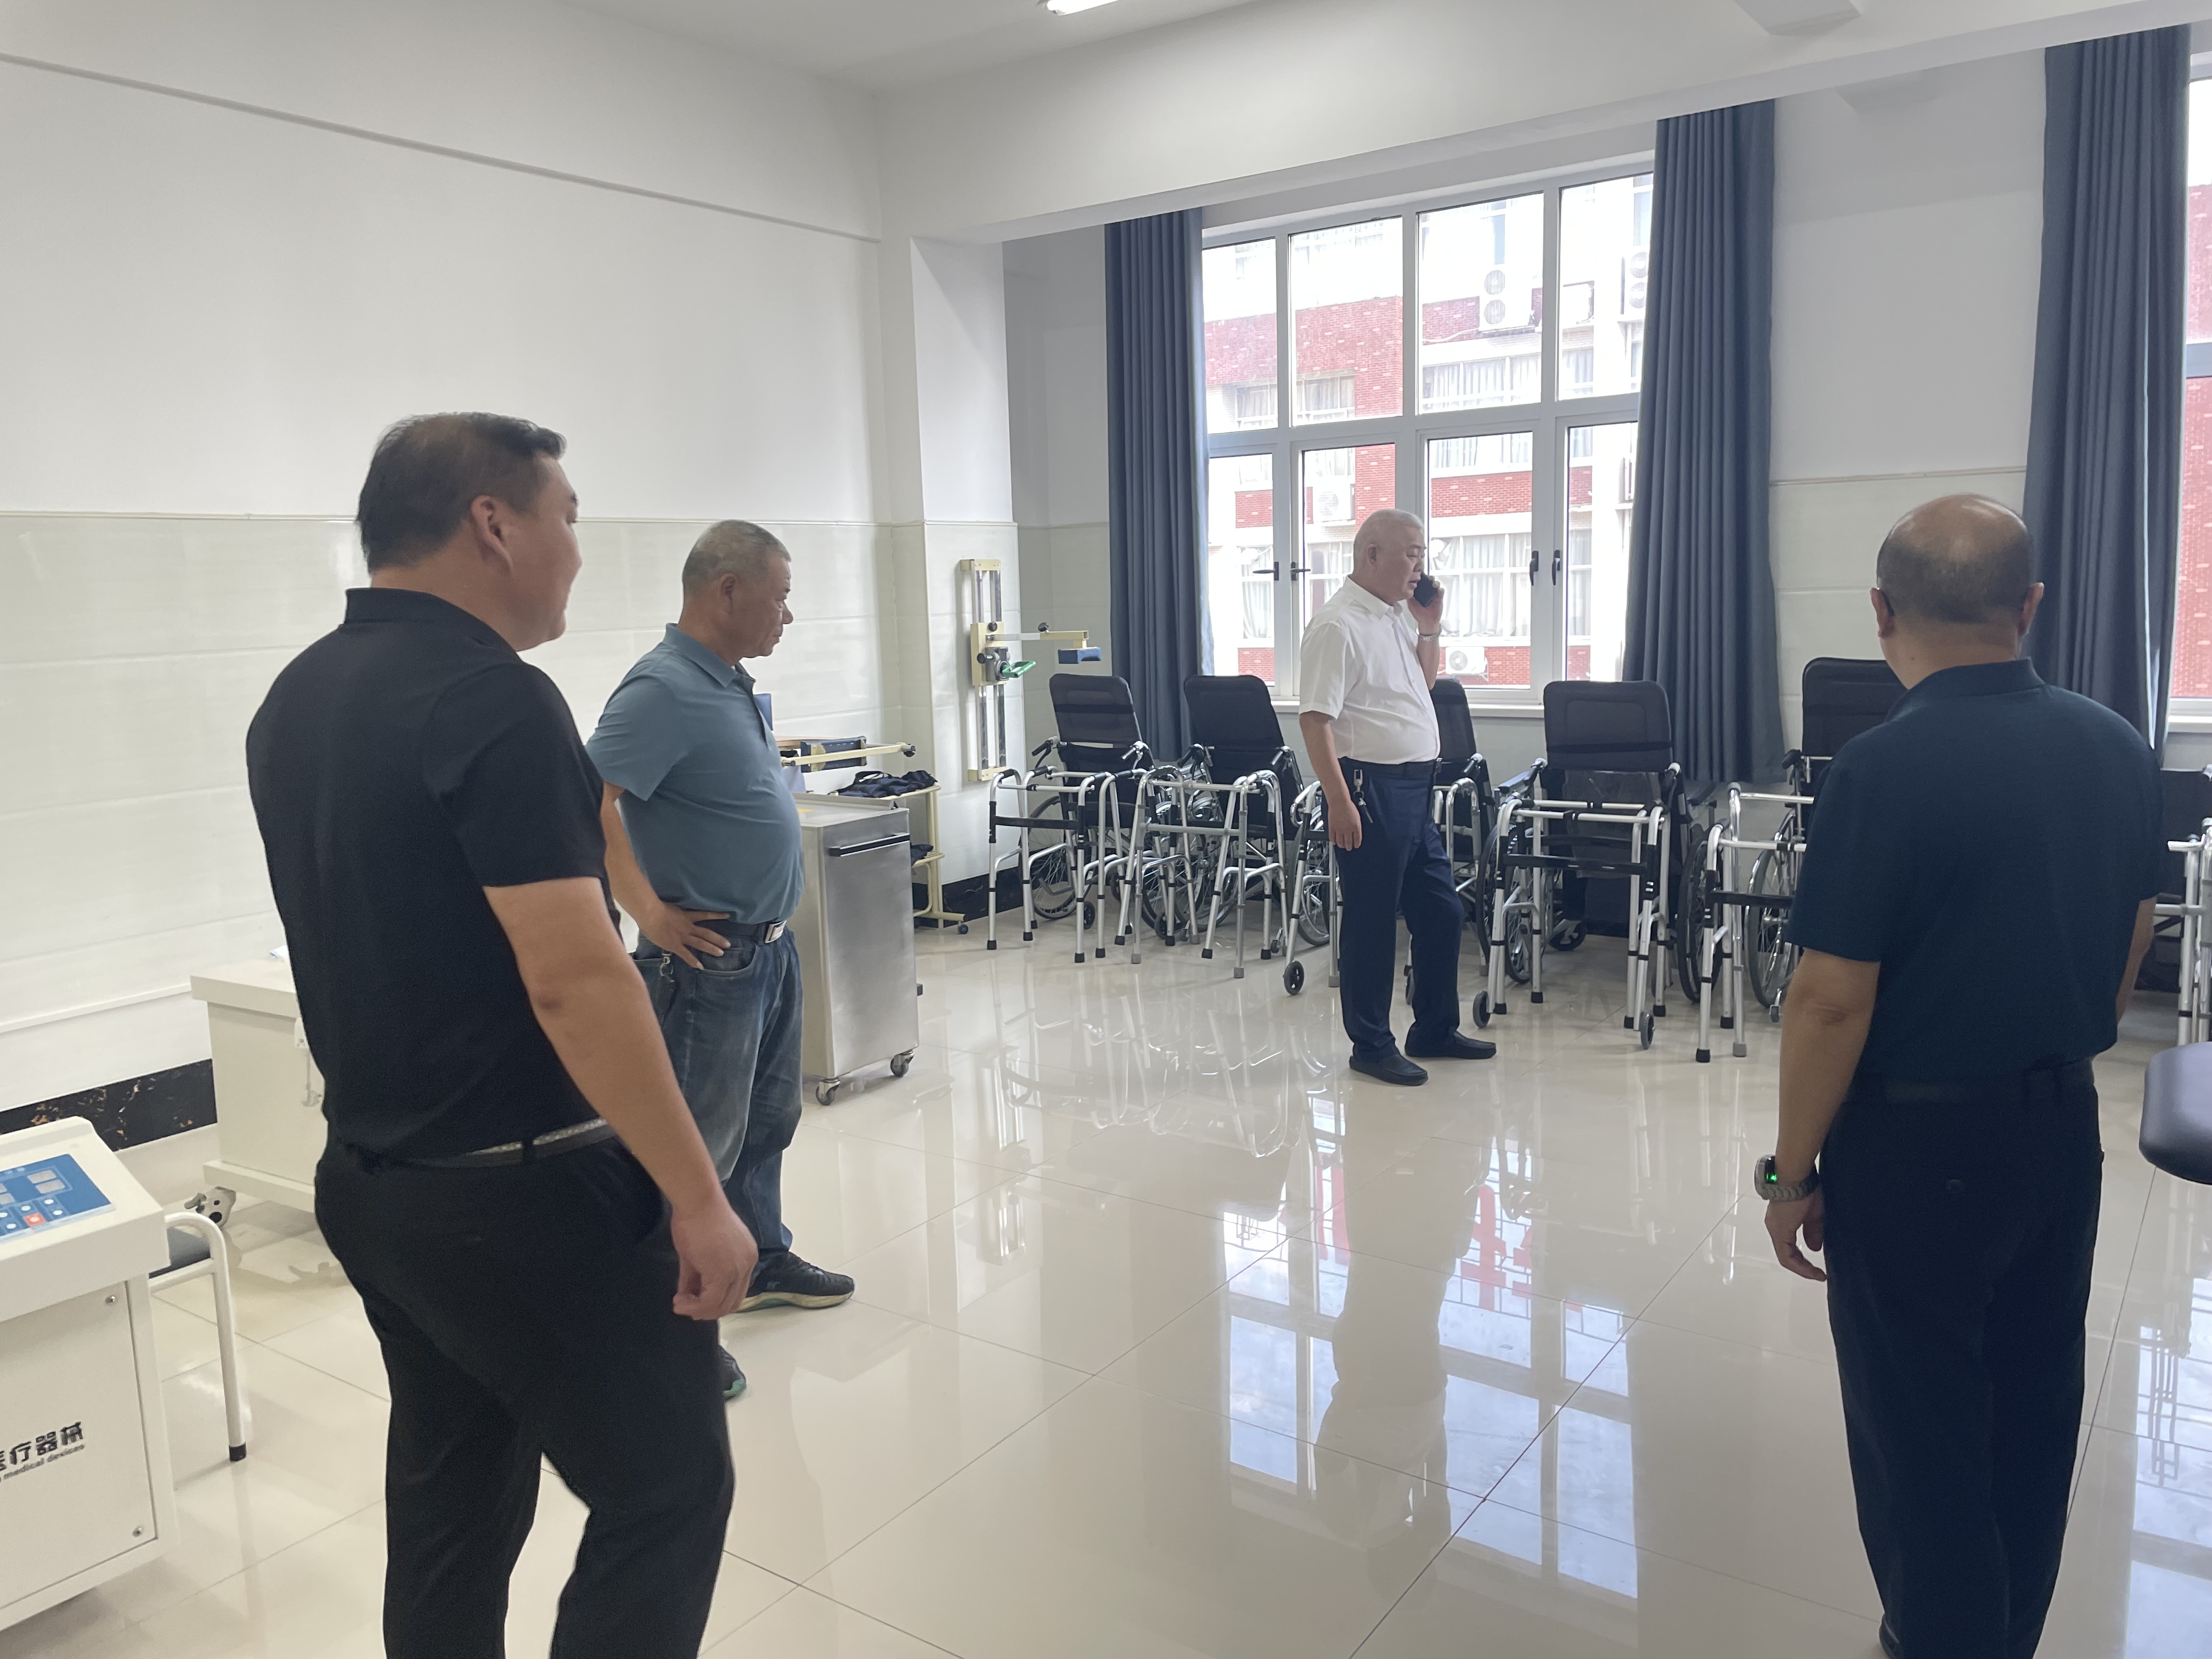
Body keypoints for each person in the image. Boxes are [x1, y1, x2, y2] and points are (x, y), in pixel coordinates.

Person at [246, 414, 756, 1659]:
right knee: (669, 1487)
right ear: (494, 523)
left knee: (455, 1506)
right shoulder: (495, 699)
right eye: (566, 517)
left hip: (377, 1186)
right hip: (522, 1198)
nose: (577, 549)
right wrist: (699, 1195)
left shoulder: (297, 696)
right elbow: (576, 979)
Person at [1759, 495, 2162, 1659]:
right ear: (2029, 606)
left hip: (1915, 1152)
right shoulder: (2116, 744)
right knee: (2034, 1408)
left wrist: (1792, 1171)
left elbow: (1830, 999)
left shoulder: (1879, 770)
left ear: (1880, 612)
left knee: (1920, 1428)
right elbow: (2134, 927)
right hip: (2060, 1129)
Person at [587, 521, 850, 1404]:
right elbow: (588, 799)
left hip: (768, 950)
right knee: (694, 1150)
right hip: (706, 964)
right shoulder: (662, 688)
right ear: (728, 590)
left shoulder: (730, 682)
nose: (787, 615)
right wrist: (648, 911)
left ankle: (762, 1258)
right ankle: (673, 1328)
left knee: (768, 1124)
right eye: (780, 597)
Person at [1297, 507, 1496, 1085]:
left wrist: (1429, 627)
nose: (1420, 567)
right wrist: (1339, 801)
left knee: (1442, 911)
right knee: (1373, 922)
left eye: (1422, 555)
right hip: (1368, 790)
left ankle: (1432, 1029)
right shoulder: (1337, 626)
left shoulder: (1393, 618)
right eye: (1411, 553)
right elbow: (1315, 720)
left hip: (1413, 790)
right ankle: (1371, 1045)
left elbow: (1422, 685)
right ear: (1372, 555)